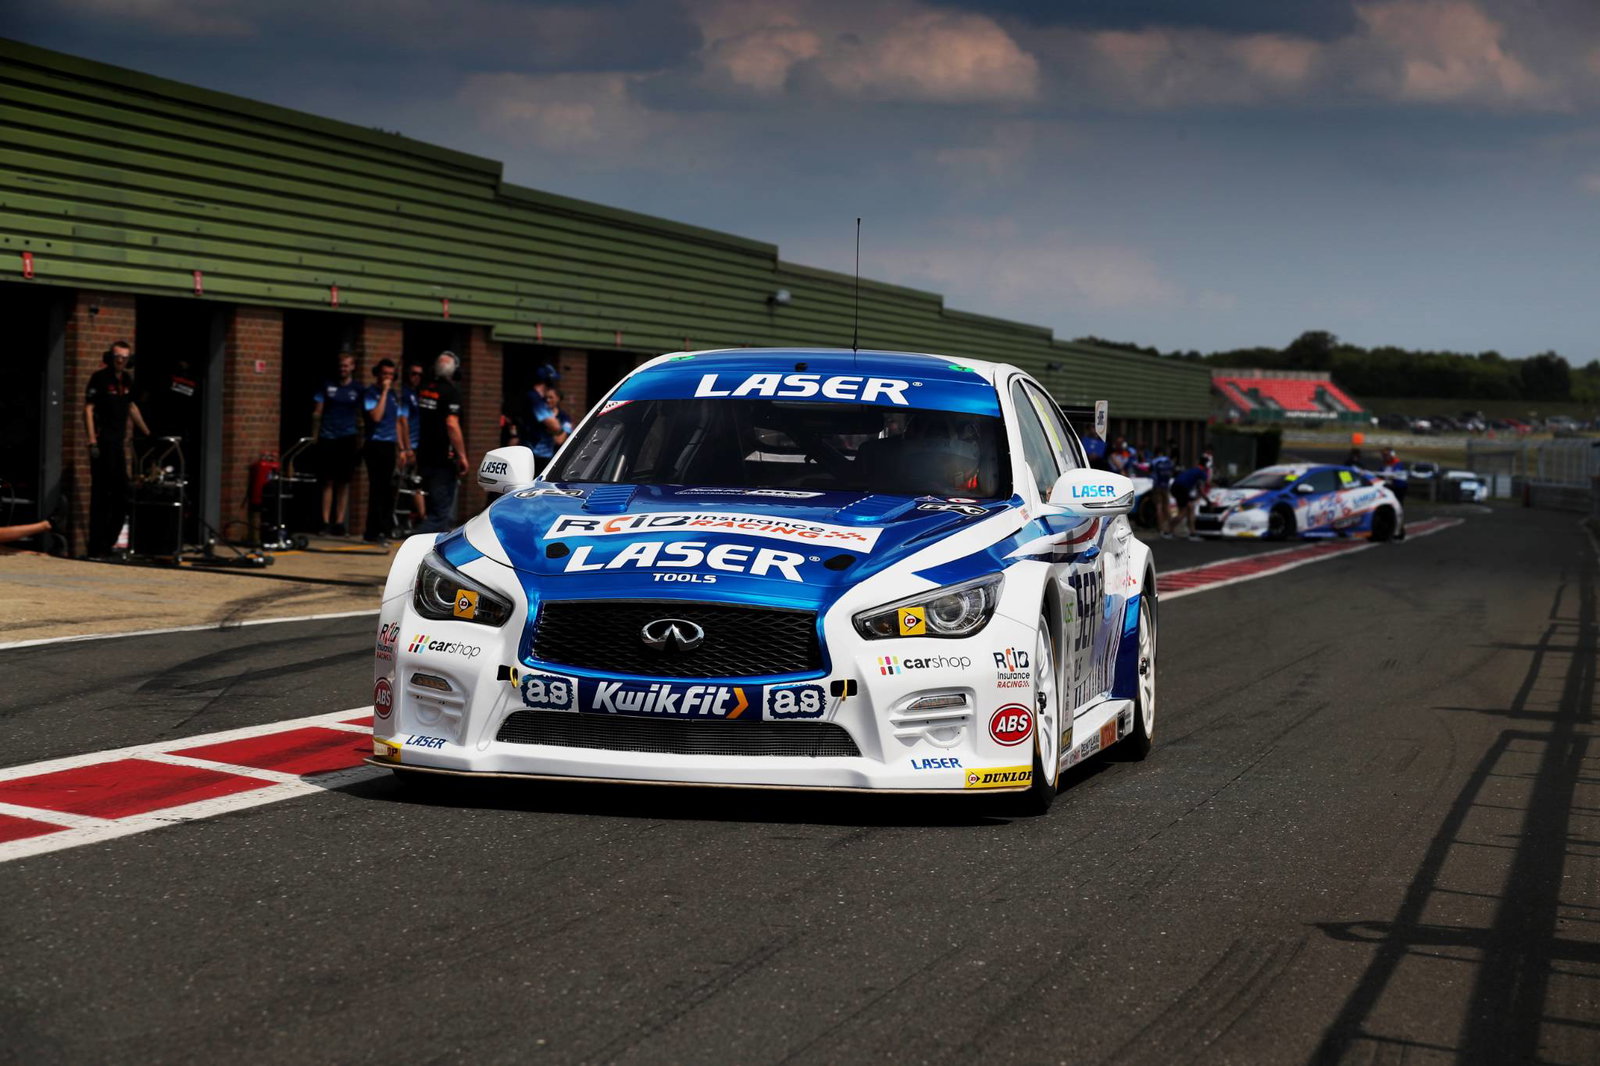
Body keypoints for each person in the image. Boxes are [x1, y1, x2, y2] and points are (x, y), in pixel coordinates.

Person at [83, 340, 150, 557]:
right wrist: (92, 440)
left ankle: (107, 543)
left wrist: (148, 433)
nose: (120, 360)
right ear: (110, 357)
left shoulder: (127, 380)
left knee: (123, 495)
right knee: (102, 495)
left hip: (119, 445)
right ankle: (96, 547)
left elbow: (131, 407)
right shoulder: (100, 378)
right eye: (117, 356)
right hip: (103, 445)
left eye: (124, 357)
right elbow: (88, 409)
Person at [415, 351, 469, 533]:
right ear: (455, 372)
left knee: (432, 506)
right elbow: (452, 424)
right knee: (440, 512)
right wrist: (462, 455)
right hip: (442, 459)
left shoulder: (424, 389)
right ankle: (419, 543)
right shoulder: (451, 392)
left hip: (423, 455)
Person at [311, 352, 363, 535]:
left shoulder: (357, 389)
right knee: (327, 481)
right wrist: (314, 436)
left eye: (347, 365)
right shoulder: (327, 385)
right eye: (341, 365)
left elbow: (361, 416)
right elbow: (317, 412)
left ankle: (340, 522)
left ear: (353, 367)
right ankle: (325, 522)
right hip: (327, 437)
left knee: (344, 482)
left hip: (347, 438)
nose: (344, 368)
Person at [361, 360, 410, 544]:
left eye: (391, 375)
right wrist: (383, 392)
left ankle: (384, 528)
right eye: (384, 374)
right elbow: (376, 416)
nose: (387, 378)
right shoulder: (371, 393)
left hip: (389, 445)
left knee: (388, 489)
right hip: (375, 444)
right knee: (377, 488)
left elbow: (397, 422)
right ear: (378, 374)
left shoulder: (394, 396)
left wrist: (403, 448)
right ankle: (372, 531)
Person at [517, 363, 569, 472]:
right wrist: (559, 431)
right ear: (547, 382)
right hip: (535, 454)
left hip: (539, 454)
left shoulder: (535, 398)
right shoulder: (535, 399)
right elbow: (554, 425)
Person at [1167, 459, 1210, 542]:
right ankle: (1168, 531)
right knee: (1184, 513)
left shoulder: (1194, 469)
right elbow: (1202, 488)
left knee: (1189, 509)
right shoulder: (1202, 472)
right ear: (1206, 466)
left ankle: (1189, 532)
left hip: (1176, 487)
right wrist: (1208, 501)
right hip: (1181, 488)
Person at [1148, 445, 1175, 538]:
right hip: (1166, 485)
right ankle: (1170, 528)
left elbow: (1150, 471)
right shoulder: (1168, 461)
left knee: (1159, 507)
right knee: (1167, 507)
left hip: (1157, 486)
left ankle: (1161, 529)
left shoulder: (1154, 461)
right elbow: (1172, 471)